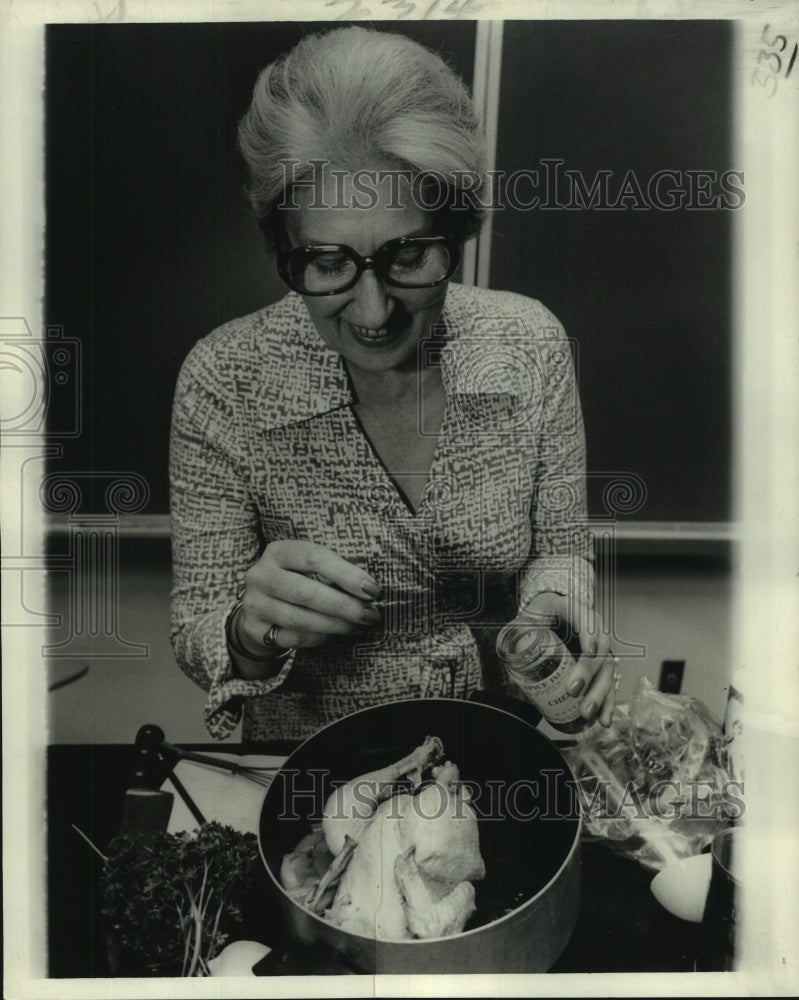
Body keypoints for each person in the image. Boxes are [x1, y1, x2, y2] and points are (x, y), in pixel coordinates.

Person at [169, 25, 617, 742]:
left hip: (493, 748)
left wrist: (555, 601)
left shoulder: (529, 344)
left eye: (407, 253)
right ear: (281, 247)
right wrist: (248, 632)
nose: (373, 312)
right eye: (325, 261)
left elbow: (558, 548)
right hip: (307, 772)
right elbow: (198, 632)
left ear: (455, 231)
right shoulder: (225, 378)